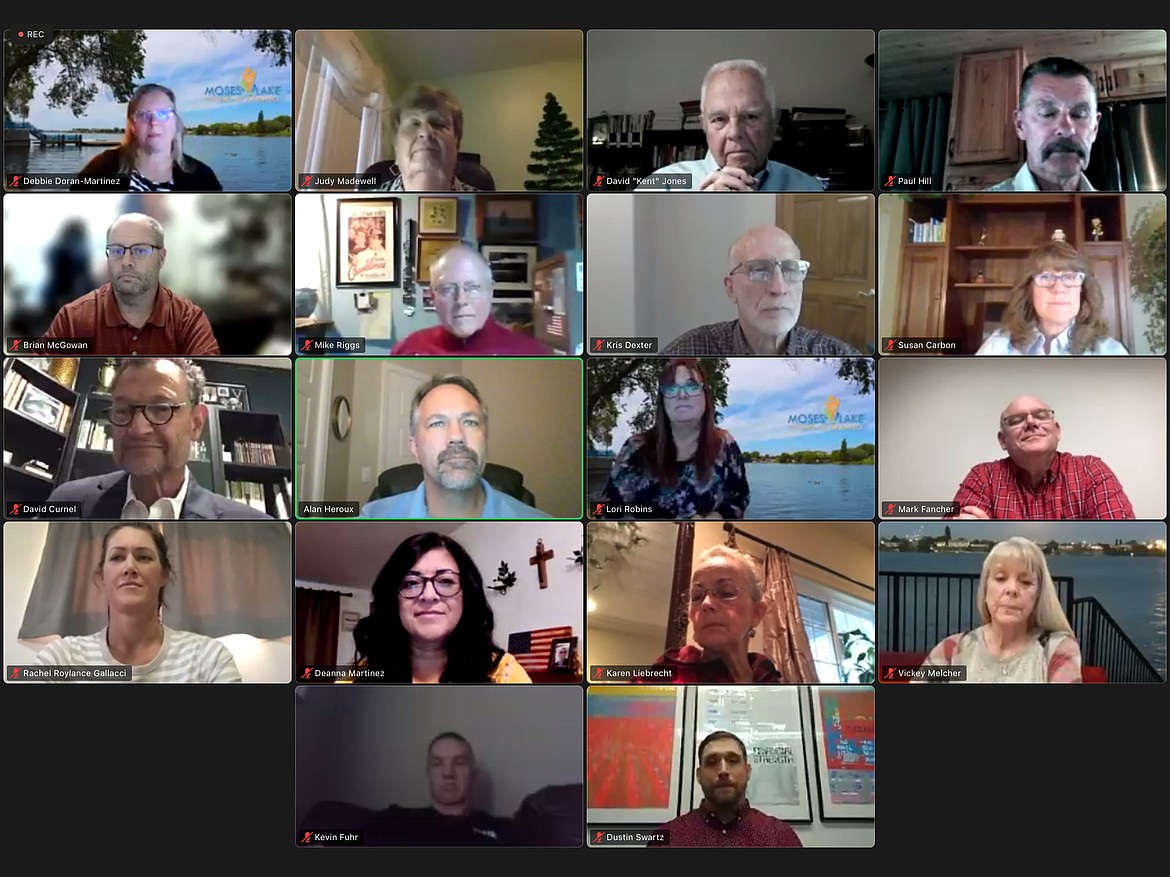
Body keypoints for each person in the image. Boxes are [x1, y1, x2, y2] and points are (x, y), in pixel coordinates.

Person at [45, 358, 273, 519]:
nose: (138, 428)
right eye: (123, 410)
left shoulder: (253, 531)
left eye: (161, 409)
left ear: (196, 424)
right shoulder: (67, 503)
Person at [31, 522, 242, 682]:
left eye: (144, 557)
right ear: (101, 577)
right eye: (117, 557)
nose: (130, 567)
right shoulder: (61, 658)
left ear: (164, 574)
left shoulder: (209, 658)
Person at [347, 532, 532, 683]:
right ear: (394, 600)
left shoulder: (504, 674)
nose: (428, 595)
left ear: (467, 595)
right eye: (411, 583)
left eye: (445, 581)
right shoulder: (363, 674)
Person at [361, 375, 549, 518]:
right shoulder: (370, 520)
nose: (457, 436)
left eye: (470, 422)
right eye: (437, 423)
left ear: (485, 438)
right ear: (414, 448)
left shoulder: (544, 529)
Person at [40, 213, 221, 355]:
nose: (127, 261)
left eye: (140, 250)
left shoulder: (188, 321)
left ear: (162, 257)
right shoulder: (72, 319)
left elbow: (206, 384)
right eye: (117, 250)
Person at [662, 226, 859, 355]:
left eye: (791, 270)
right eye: (759, 270)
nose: (779, 288)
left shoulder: (837, 355)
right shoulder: (687, 352)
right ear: (731, 289)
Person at [917, 537, 1082, 683]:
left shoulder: (1055, 648)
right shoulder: (953, 649)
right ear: (985, 590)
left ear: (1038, 595)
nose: (1012, 589)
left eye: (1025, 582)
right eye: (1000, 578)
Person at [643, 60, 822, 192]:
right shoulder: (663, 184)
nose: (735, 133)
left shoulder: (808, 189)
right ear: (703, 126)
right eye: (719, 119)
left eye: (750, 117)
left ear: (774, 122)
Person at [947, 395, 1134, 519]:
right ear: (1003, 440)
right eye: (1016, 420)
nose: (1030, 422)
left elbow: (1122, 536)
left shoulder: (1091, 470)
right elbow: (953, 532)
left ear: (1057, 431)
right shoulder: (982, 476)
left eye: (1041, 416)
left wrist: (995, 536)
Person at [604, 359, 749, 519]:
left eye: (692, 386)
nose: (682, 395)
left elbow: (739, 498)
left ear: (705, 396)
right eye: (672, 387)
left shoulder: (725, 444)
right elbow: (606, 509)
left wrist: (719, 516)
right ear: (663, 400)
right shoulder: (635, 448)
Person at [649, 731, 803, 847]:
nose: (723, 770)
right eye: (711, 761)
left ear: (747, 771)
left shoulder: (781, 838)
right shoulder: (666, 839)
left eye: (732, 760)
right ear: (699, 775)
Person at [652, 545, 782, 683]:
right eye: (697, 596)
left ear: (756, 613)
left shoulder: (772, 682)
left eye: (726, 592)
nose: (706, 604)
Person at [391, 245, 552, 354]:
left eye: (473, 288)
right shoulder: (408, 349)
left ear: (490, 292)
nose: (461, 300)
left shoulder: (532, 352)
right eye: (447, 289)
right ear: (433, 297)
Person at [976, 240, 1127, 355]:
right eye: (1046, 278)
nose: (1059, 288)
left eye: (1070, 278)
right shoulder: (998, 347)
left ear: (1083, 291)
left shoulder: (1110, 352)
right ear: (1029, 290)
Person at [362, 732, 511, 844]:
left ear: (472, 773)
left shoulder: (502, 830)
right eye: (437, 764)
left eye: (459, 763)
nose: (448, 773)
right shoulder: (395, 821)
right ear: (428, 772)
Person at [73, 83, 223, 191]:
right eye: (143, 115)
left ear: (175, 121)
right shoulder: (102, 168)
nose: (154, 122)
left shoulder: (202, 177)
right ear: (132, 124)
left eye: (163, 114)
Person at [984, 57, 1100, 192]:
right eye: (1047, 113)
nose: (1066, 129)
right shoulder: (978, 210)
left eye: (1079, 114)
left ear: (1095, 129)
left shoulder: (1115, 209)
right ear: (1020, 125)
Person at [371, 86, 481, 192]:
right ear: (396, 147)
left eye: (438, 124)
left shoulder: (490, 208)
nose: (426, 132)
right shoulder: (362, 207)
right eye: (414, 124)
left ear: (456, 144)